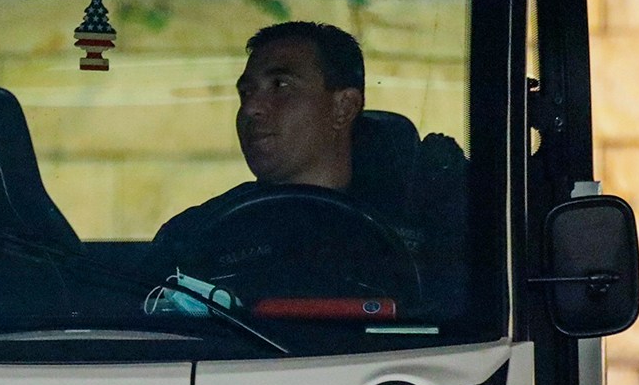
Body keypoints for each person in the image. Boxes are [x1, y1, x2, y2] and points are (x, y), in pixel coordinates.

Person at [153, 22, 466, 309]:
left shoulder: (432, 225)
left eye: (281, 85)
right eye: (246, 92)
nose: (251, 108)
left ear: (344, 107)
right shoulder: (197, 234)